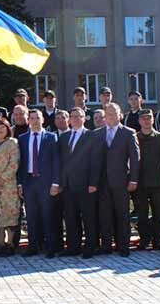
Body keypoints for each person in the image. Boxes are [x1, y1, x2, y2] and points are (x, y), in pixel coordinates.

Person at [58, 107, 104, 258]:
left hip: (86, 185)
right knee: (71, 218)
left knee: (88, 217)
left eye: (79, 116)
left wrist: (93, 183)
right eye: (73, 116)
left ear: (84, 118)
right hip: (68, 185)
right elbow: (61, 162)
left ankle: (90, 247)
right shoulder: (64, 137)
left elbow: (96, 162)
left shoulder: (91, 136)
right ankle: (73, 247)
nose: (76, 119)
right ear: (69, 119)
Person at [97, 103, 140, 255]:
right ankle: (106, 245)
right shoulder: (98, 133)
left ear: (120, 114)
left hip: (121, 181)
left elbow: (135, 158)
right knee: (105, 214)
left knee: (122, 215)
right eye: (108, 113)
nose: (110, 116)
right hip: (103, 182)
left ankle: (123, 246)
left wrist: (133, 179)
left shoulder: (128, 133)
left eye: (114, 113)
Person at [18, 110, 60, 257]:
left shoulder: (51, 137)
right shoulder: (22, 139)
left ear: (43, 120)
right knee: (31, 216)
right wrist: (20, 184)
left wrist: (56, 183)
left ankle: (50, 247)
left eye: (38, 118)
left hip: (46, 182)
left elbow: (56, 161)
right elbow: (21, 163)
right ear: (28, 120)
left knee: (47, 215)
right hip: (29, 181)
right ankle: (33, 246)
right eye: (32, 118)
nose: (35, 121)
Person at [135, 109, 160, 250]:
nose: (146, 121)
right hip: (140, 183)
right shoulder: (135, 137)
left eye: (149, 118)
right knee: (142, 214)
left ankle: (158, 240)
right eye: (143, 118)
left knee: (158, 213)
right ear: (139, 121)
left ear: (152, 120)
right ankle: (144, 240)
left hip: (157, 183)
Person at [0, 117, 21, 256]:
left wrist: (2, 178)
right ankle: (0, 244)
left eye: (3, 127)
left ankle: (10, 244)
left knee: (9, 215)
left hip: (8, 186)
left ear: (7, 129)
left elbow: (14, 163)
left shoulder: (12, 143)